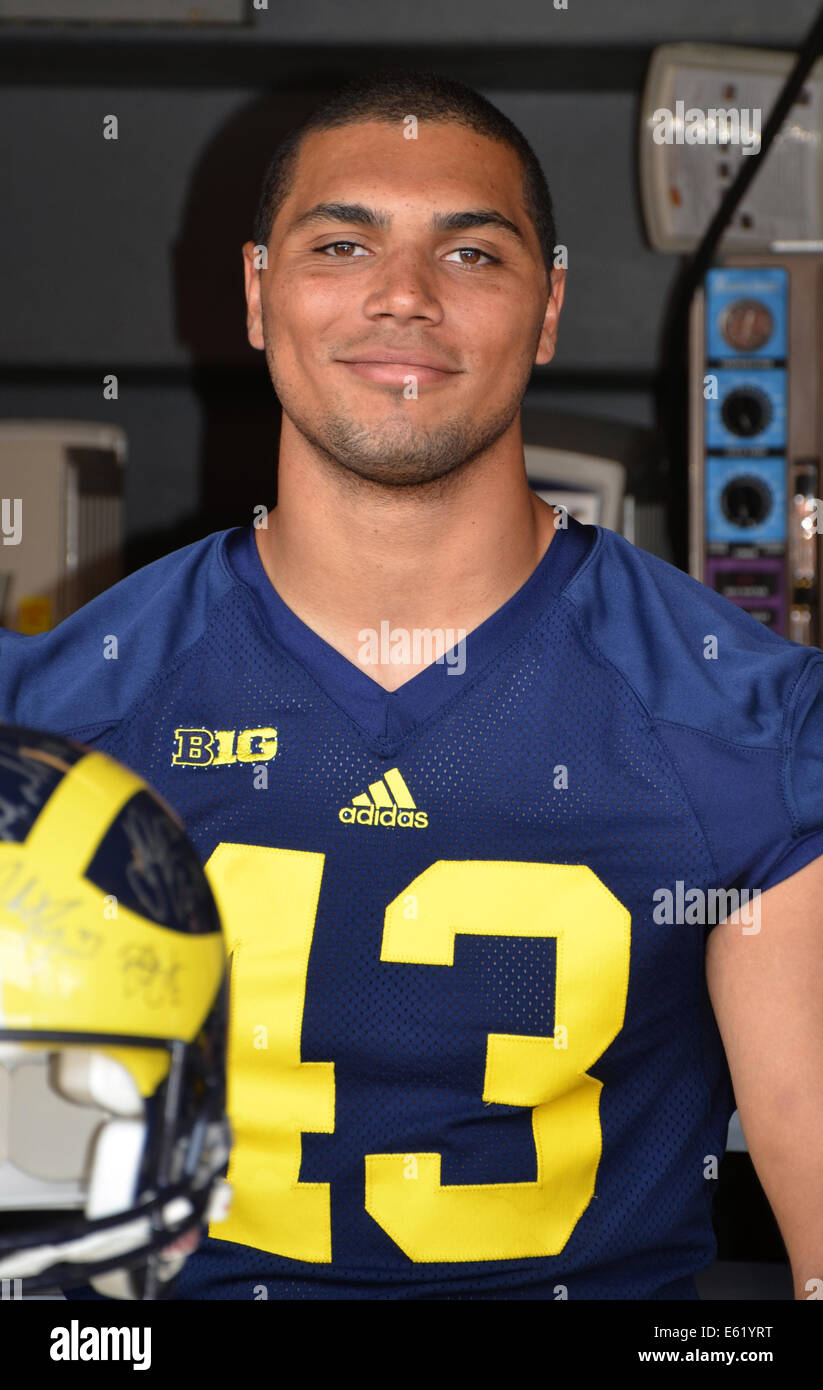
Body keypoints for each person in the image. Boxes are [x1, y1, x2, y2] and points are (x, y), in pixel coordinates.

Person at [2, 69, 821, 1301]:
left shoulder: (750, 727)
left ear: (547, 311)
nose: (403, 296)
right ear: (258, 294)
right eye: (342, 244)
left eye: (473, 256)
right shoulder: (56, 724)